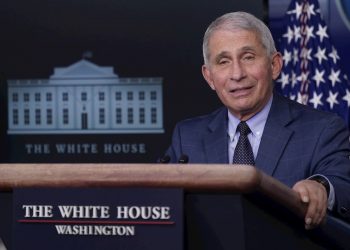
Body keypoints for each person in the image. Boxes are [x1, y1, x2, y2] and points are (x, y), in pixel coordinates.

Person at [164, 11, 350, 229]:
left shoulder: (322, 130)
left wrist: (320, 187)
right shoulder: (187, 137)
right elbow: (158, 201)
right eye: (223, 61)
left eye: (248, 57)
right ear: (209, 77)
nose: (237, 74)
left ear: (274, 65)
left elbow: (342, 183)